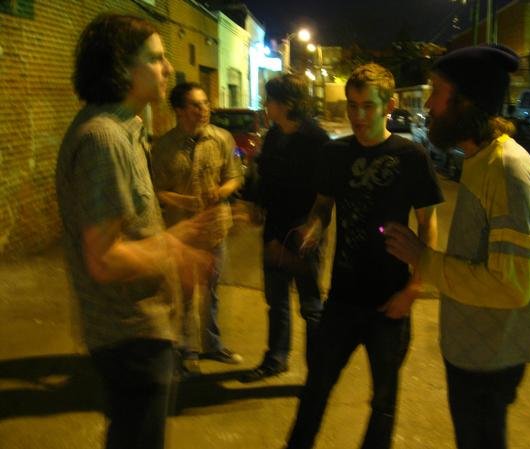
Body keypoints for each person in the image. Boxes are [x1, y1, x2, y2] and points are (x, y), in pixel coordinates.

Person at [55, 14, 214, 449]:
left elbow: (131, 229)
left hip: (144, 331)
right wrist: (175, 252)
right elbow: (105, 259)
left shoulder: (128, 130)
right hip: (129, 336)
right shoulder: (103, 140)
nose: (168, 69)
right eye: (157, 58)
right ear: (122, 67)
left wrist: (175, 237)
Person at [383, 45, 530, 449]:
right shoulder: (482, 160)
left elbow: (512, 285)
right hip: (475, 353)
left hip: (489, 361)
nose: (429, 105)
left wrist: (424, 260)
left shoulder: (507, 170)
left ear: (466, 100)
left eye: (437, 91)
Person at [285, 63, 443, 449]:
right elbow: (323, 206)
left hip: (390, 302)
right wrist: (313, 228)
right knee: (315, 389)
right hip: (342, 298)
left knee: (383, 402)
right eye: (352, 106)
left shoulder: (411, 156)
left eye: (367, 106)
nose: (357, 115)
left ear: (388, 106)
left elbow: (429, 225)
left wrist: (414, 289)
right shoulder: (334, 153)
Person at [241, 74, 330, 382]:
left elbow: (327, 192)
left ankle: (317, 372)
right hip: (275, 232)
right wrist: (256, 204)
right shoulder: (273, 136)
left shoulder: (316, 140)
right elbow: (263, 177)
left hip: (303, 235)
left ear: (287, 104)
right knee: (276, 300)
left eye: (270, 100)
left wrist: (315, 226)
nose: (266, 105)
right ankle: (276, 359)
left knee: (311, 306)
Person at [152, 82, 243, 366]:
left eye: (205, 103)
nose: (204, 109)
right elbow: (156, 191)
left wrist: (221, 191)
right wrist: (184, 201)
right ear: (180, 110)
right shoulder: (163, 147)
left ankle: (212, 345)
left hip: (215, 229)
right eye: (195, 104)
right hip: (181, 233)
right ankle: (187, 350)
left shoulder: (223, 139)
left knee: (212, 293)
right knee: (185, 293)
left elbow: (235, 176)